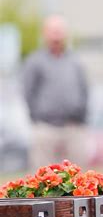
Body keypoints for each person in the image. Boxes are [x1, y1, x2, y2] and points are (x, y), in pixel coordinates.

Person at [22, 15, 89, 168]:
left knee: (78, 178)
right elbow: (28, 92)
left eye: (59, 31)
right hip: (46, 128)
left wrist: (82, 118)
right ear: (45, 34)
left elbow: (84, 90)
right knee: (43, 178)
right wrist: (37, 118)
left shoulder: (75, 61)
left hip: (74, 127)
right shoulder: (35, 61)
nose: (56, 36)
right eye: (53, 31)